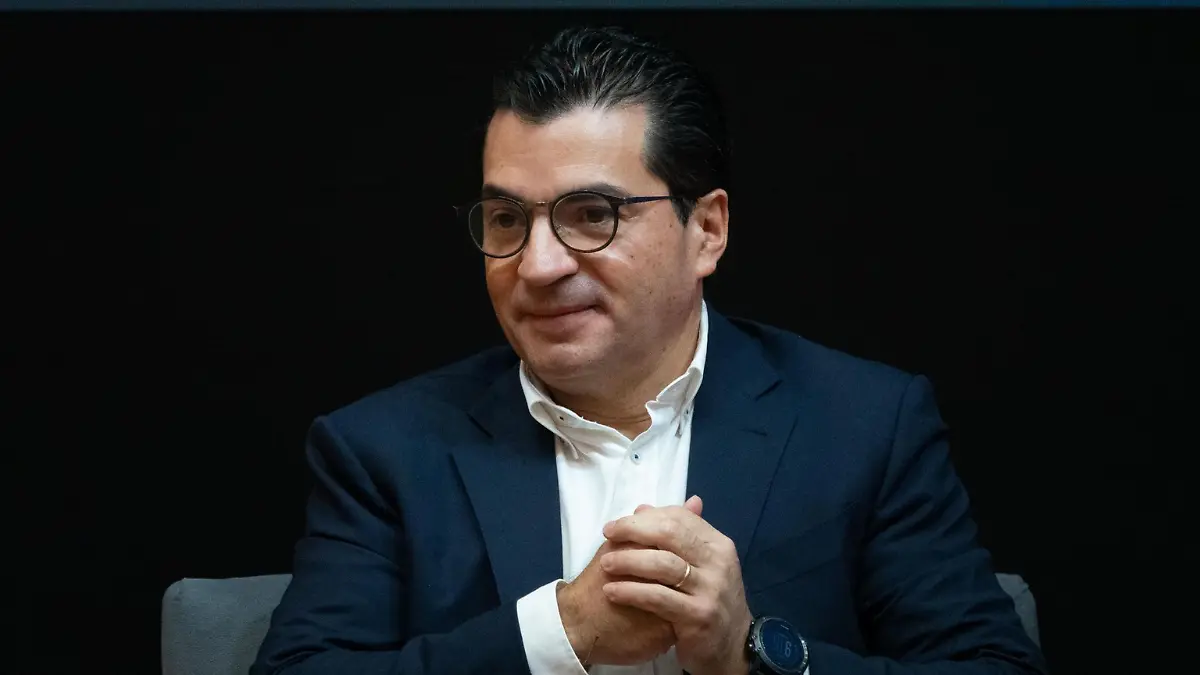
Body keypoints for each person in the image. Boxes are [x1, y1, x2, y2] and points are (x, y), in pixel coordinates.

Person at [251, 25, 1047, 675]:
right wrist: (559, 633)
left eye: (592, 214)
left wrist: (749, 653)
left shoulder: (865, 423)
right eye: (506, 220)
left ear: (708, 231)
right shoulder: (382, 451)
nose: (538, 264)